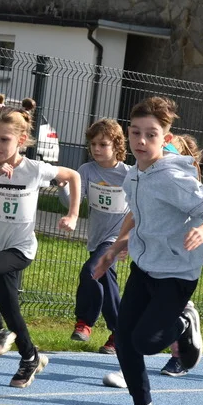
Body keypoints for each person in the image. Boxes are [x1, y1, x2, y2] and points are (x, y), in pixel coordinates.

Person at [92, 97, 203, 405]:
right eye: (135, 132)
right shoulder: (134, 175)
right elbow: (141, 218)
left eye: (151, 134)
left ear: (165, 138)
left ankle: (183, 322)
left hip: (176, 273)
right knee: (124, 338)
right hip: (144, 267)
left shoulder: (172, 177)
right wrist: (115, 248)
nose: (141, 140)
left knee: (146, 342)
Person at [0, 106, 81, 388]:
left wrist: (73, 214)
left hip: (21, 248)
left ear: (21, 139)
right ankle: (30, 357)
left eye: (4, 140)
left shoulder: (35, 169)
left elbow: (73, 176)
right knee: (10, 306)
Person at [66, 118, 129, 355]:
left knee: (91, 271)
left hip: (115, 238)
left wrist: (129, 240)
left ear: (116, 145)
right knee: (107, 282)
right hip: (96, 238)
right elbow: (73, 200)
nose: (96, 149)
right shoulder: (87, 171)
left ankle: (85, 323)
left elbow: (140, 210)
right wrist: (65, 187)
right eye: (93, 144)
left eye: (103, 144)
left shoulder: (129, 175)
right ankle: (120, 333)